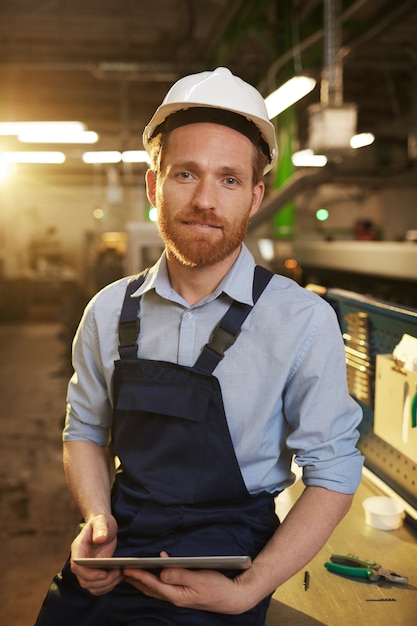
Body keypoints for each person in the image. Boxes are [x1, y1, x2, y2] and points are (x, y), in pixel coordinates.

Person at [35, 67, 363, 626]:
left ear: (256, 195)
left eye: (229, 180)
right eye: (186, 173)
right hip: (123, 546)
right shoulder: (108, 311)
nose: (206, 199)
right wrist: (96, 521)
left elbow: (332, 473)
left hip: (232, 560)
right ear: (153, 185)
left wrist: (248, 589)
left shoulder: (303, 321)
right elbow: (85, 432)